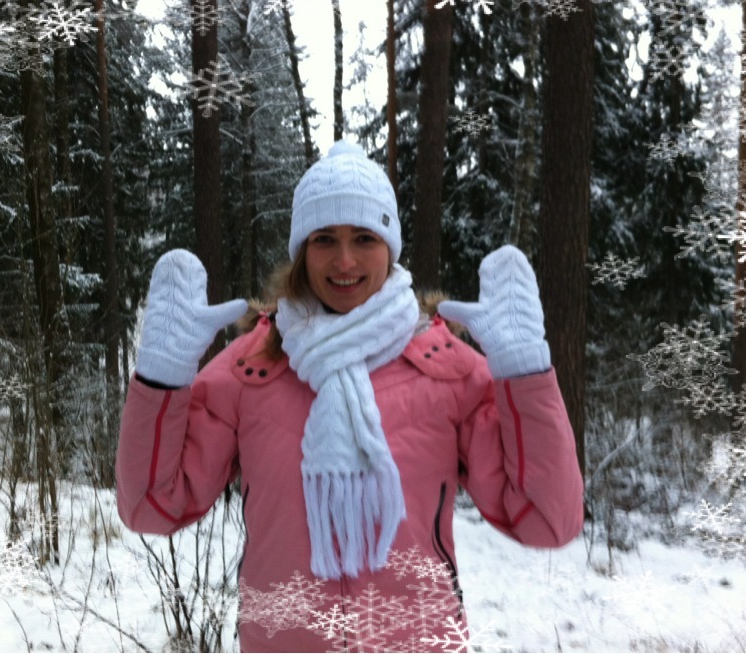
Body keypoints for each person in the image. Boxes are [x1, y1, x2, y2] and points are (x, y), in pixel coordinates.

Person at [116, 141, 584, 652]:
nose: (344, 260)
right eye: (324, 239)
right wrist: (161, 378)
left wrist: (525, 371)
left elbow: (547, 520)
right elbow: (151, 508)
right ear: (302, 251)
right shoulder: (253, 368)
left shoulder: (446, 370)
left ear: (390, 247)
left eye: (364, 237)